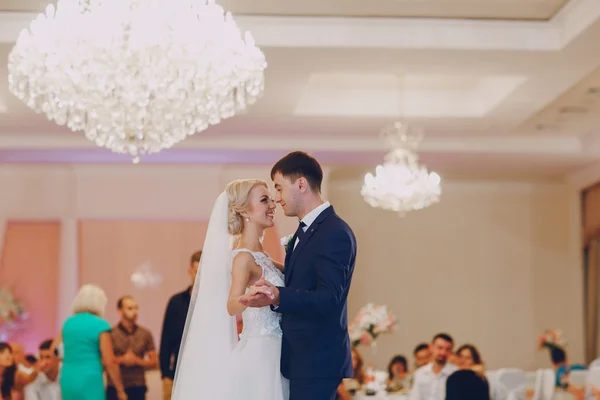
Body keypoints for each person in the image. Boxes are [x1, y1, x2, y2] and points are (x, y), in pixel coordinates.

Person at [240, 151, 358, 400]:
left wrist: (276, 295)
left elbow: (328, 298)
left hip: (316, 360)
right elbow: (302, 277)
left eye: (279, 188)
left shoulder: (332, 232)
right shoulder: (309, 230)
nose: (277, 198)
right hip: (302, 358)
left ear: (301, 184)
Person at [171, 179, 288, 400]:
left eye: (271, 199)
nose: (273, 205)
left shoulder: (263, 257)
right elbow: (232, 305)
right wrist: (249, 298)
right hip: (262, 353)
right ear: (245, 211)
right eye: (264, 200)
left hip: (277, 348)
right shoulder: (243, 257)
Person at [53, 284, 127, 400]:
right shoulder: (101, 325)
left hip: (68, 377)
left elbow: (54, 350)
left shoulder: (68, 323)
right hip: (90, 378)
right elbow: (109, 361)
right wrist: (120, 390)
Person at [159, 251, 201, 400]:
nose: (200, 276)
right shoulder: (176, 302)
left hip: (206, 369)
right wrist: (165, 374)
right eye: (197, 271)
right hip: (179, 369)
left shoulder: (215, 302)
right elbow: (166, 339)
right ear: (190, 271)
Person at [107, 296, 158, 400]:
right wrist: (122, 359)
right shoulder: (110, 333)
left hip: (138, 386)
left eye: (136, 308)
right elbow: (105, 361)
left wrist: (136, 360)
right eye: (130, 308)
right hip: (115, 386)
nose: (134, 312)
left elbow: (154, 361)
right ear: (120, 310)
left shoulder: (145, 334)